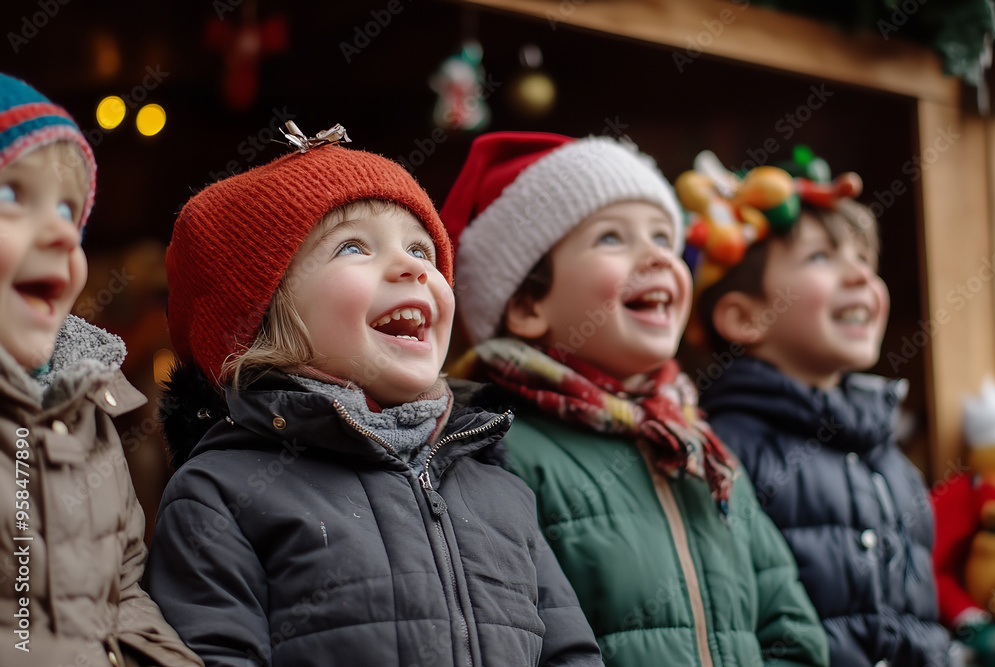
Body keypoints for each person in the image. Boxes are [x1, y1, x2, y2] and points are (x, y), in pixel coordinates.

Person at [144, 124, 602, 667]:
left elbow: (570, 654)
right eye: (352, 246)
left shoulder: (501, 491)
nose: (413, 266)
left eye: (421, 249)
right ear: (265, 316)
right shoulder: (221, 493)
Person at [441, 131, 828, 666]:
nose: (656, 257)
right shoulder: (501, 452)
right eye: (611, 239)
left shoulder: (701, 450)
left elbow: (792, 633)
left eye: (665, 239)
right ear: (529, 305)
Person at [690, 152, 950, 665]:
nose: (859, 277)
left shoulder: (893, 462)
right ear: (745, 317)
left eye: (863, 260)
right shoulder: (723, 454)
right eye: (821, 258)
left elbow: (923, 619)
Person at [0, 73, 203, 666]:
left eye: (70, 209)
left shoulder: (85, 418)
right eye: (13, 195)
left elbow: (122, 591)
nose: (64, 230)